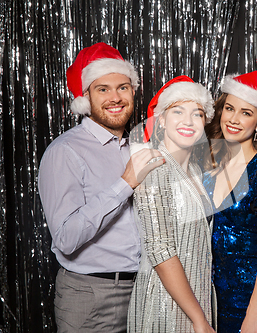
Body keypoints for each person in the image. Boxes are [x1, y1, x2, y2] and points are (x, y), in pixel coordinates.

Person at [38, 42, 163, 332]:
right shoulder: (65, 151)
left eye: (123, 87)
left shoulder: (139, 146)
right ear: (86, 98)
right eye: (102, 89)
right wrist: (125, 184)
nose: (115, 97)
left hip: (145, 290)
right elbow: (66, 238)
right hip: (91, 296)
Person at [127, 76, 216, 333]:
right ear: (162, 120)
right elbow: (160, 251)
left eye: (197, 114)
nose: (188, 121)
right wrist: (199, 319)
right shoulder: (153, 168)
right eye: (177, 111)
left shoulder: (197, 171)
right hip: (163, 305)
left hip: (196, 298)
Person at [203, 71, 257, 332]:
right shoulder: (209, 168)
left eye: (246, 113)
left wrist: (254, 314)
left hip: (255, 303)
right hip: (213, 301)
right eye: (230, 108)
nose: (234, 119)